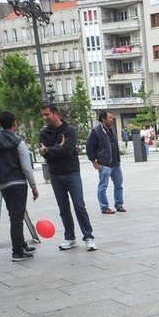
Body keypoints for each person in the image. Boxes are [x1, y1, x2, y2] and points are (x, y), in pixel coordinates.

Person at [40, 102, 96, 251]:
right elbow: (47, 154)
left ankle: (89, 237)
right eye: (43, 115)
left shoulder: (69, 130)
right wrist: (57, 148)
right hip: (55, 174)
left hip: (72, 172)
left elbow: (67, 151)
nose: (45, 117)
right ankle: (70, 238)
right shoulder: (44, 133)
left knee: (79, 206)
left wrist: (50, 150)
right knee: (63, 208)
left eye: (47, 114)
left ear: (56, 113)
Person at [0, 110, 39, 263]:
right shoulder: (18, 141)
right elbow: (26, 167)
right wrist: (33, 186)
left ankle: (22, 244)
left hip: (5, 185)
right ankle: (17, 252)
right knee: (17, 216)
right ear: (14, 122)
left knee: (15, 214)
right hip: (18, 183)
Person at [87, 109, 125, 214]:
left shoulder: (111, 129)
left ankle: (119, 204)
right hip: (104, 164)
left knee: (119, 185)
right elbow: (89, 147)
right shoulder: (96, 131)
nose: (112, 119)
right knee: (103, 186)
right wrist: (93, 161)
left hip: (115, 163)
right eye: (110, 118)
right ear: (103, 119)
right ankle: (104, 207)